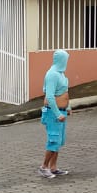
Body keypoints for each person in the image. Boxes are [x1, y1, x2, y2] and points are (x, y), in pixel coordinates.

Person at [39, 49, 71, 178]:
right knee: (53, 140)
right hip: (53, 114)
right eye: (65, 59)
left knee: (58, 141)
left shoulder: (61, 74)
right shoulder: (52, 74)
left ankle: (53, 167)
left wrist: (68, 106)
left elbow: (64, 91)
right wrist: (58, 114)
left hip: (61, 112)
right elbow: (50, 97)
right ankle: (44, 167)